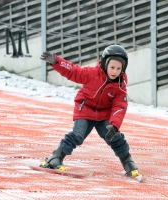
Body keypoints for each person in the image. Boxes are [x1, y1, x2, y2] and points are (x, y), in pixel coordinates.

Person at [40, 44, 140, 178]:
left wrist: (114, 125)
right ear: (105, 64)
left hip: (104, 114)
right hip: (86, 110)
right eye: (112, 67)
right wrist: (56, 61)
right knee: (77, 135)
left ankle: (128, 162)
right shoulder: (92, 74)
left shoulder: (120, 85)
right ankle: (55, 158)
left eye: (118, 68)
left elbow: (120, 105)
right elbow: (73, 72)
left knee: (115, 137)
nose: (115, 71)